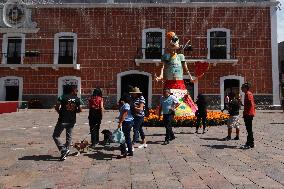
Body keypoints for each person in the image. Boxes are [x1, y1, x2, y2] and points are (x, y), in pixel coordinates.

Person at [156, 31, 197, 116]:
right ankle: (166, 111)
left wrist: (190, 77)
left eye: (174, 40)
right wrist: (160, 76)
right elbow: (162, 67)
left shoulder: (181, 56)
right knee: (168, 96)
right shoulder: (166, 56)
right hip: (169, 82)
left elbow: (186, 68)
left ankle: (185, 111)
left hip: (179, 82)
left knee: (183, 97)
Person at [52, 85, 83, 161]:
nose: (76, 91)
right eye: (75, 90)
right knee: (69, 136)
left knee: (56, 135)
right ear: (72, 91)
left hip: (62, 119)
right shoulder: (77, 99)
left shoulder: (62, 97)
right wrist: (73, 111)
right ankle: (66, 151)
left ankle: (63, 150)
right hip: (72, 120)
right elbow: (80, 110)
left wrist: (61, 113)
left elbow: (56, 107)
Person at [117, 94, 134, 159]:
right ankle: (130, 151)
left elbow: (125, 113)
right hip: (128, 122)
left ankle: (123, 153)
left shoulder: (126, 105)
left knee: (122, 137)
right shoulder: (125, 105)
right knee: (127, 137)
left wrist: (120, 122)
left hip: (126, 122)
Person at [241, 82, 256, 149]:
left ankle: (250, 144)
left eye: (242, 87)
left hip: (248, 114)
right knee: (249, 129)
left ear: (246, 88)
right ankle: (250, 143)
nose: (241, 88)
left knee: (249, 129)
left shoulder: (248, 94)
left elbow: (250, 104)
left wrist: (248, 112)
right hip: (248, 113)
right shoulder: (248, 93)